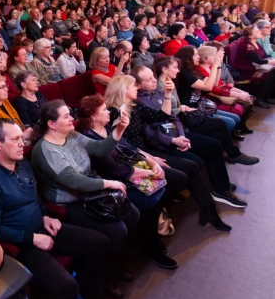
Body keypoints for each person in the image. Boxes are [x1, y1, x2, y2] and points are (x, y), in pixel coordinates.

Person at [0, 118, 118, 299]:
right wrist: (33, 238)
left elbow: (36, 198)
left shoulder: (23, 164)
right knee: (66, 287)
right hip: (21, 244)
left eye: (21, 138)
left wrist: (45, 216)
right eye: (15, 139)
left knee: (99, 243)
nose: (22, 143)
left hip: (42, 227)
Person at [105, 74, 236, 228]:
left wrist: (167, 94)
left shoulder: (134, 106)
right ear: (123, 89)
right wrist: (151, 158)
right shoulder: (114, 112)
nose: (136, 87)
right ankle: (163, 209)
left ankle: (209, 211)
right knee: (184, 173)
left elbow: (161, 116)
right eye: (133, 85)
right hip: (134, 156)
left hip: (146, 149)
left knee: (193, 164)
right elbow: (123, 145)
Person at [31, 99, 140, 281]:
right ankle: (109, 276)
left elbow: (99, 148)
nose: (72, 119)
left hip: (89, 193)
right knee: (117, 231)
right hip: (69, 203)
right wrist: (109, 183)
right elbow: (73, 181)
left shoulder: (71, 135)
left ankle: (121, 264)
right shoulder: (44, 150)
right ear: (51, 124)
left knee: (132, 213)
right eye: (66, 116)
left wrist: (119, 129)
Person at [75, 96, 176, 269]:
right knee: (149, 201)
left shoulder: (106, 127)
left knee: (163, 187)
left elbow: (129, 148)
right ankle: (150, 247)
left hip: (130, 169)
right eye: (104, 110)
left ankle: (151, 237)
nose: (109, 112)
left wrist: (152, 162)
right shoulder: (89, 138)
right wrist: (150, 172)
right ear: (92, 117)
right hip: (115, 181)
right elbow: (116, 170)